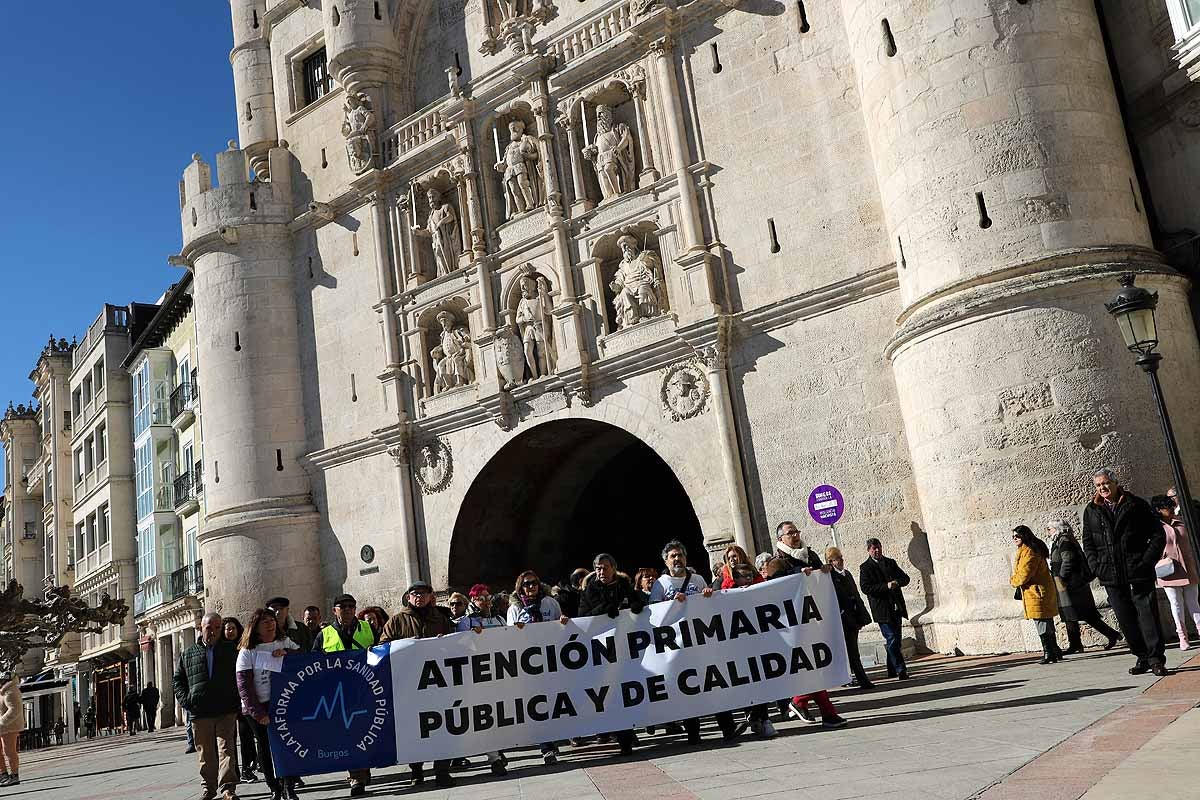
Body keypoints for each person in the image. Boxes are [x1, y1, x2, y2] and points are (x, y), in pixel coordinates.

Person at [1081, 468, 1169, 676]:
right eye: (1098, 485)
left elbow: (1157, 535)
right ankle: (1141, 656)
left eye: (1105, 483)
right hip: (1110, 574)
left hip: (1137, 570)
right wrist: (1096, 565)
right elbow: (1088, 541)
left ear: (1115, 483)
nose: (1102, 488)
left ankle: (1156, 659)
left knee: (1148, 615)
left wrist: (1146, 561)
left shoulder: (1136, 505)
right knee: (1126, 619)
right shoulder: (1092, 510)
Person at [380, 583, 461, 786]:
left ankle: (442, 770)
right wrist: (404, 645)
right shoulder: (397, 621)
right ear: (408, 597)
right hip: (409, 683)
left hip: (438, 682)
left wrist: (445, 642)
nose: (419, 597)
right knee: (413, 727)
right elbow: (382, 647)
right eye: (415, 594)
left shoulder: (440, 619)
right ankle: (416, 769)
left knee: (442, 725)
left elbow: (456, 643)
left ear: (430, 596)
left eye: (423, 594)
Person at [578, 554, 647, 754]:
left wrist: (636, 606)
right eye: (598, 568)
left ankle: (628, 733)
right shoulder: (589, 591)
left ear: (614, 568)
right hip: (604, 654)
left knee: (627, 692)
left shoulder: (625, 587)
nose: (601, 572)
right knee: (613, 696)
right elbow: (583, 618)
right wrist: (602, 610)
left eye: (605, 568)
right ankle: (623, 738)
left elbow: (640, 603)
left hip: (628, 650)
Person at [315, 593, 377, 797]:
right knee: (349, 736)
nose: (348, 609)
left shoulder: (368, 629)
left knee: (367, 732)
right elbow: (313, 664)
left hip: (366, 690)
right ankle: (356, 778)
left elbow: (384, 652)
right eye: (343, 606)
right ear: (335, 611)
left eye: (351, 606)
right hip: (339, 695)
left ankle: (363, 769)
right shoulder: (324, 634)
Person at [174, 611, 241, 800]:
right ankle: (209, 788)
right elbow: (178, 680)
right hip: (200, 711)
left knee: (226, 748)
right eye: (209, 628)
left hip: (225, 709)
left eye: (217, 628)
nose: (213, 632)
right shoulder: (188, 653)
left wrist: (236, 700)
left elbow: (240, 676)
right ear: (201, 629)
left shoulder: (230, 650)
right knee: (206, 753)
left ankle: (228, 788)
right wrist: (187, 701)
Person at [237, 608, 300, 800]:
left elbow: (303, 658)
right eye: (265, 621)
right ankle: (274, 787)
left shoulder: (284, 641)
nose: (270, 624)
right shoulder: (248, 651)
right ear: (255, 627)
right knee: (264, 746)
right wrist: (258, 713)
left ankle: (288, 785)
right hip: (258, 708)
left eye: (272, 620)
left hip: (283, 703)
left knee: (286, 744)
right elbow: (244, 686)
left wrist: (288, 653)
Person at [508, 570, 569, 762]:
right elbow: (508, 635)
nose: (531, 586)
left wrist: (563, 622)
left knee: (555, 700)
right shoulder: (515, 608)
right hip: (529, 662)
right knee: (538, 703)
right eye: (526, 584)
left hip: (551, 658)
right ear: (520, 586)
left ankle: (556, 737)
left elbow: (561, 625)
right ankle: (546, 746)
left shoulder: (549, 603)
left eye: (534, 583)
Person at [1048, 520, 1121, 653]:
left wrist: (1062, 577)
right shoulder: (1061, 541)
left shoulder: (1064, 541)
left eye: (1050, 529)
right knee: (1074, 613)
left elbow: (1068, 560)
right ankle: (1078, 643)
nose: (1049, 532)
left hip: (1069, 583)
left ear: (1058, 529)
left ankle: (1108, 636)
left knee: (1075, 613)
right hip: (1069, 583)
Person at [1151, 494, 1200, 651]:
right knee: (1176, 604)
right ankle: (1182, 637)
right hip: (1169, 570)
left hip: (1189, 568)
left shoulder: (1182, 521)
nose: (1171, 509)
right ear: (1159, 510)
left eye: (1172, 506)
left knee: (1194, 603)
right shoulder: (1155, 527)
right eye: (1167, 507)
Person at [859, 537, 911, 680]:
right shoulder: (865, 567)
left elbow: (905, 578)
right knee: (891, 637)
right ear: (868, 551)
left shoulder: (890, 563)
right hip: (882, 609)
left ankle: (891, 670)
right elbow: (866, 588)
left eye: (878, 547)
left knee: (895, 640)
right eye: (873, 548)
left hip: (895, 607)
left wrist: (896, 583)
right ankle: (901, 669)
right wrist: (885, 586)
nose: (877, 551)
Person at [1010, 526, 1062, 664]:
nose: (1015, 539)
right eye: (1013, 536)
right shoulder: (1027, 550)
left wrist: (1013, 581)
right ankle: (1055, 650)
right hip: (1038, 590)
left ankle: (1049, 652)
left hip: (1036, 592)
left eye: (1017, 536)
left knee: (1041, 623)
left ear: (1025, 536)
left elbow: (1024, 574)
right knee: (1047, 622)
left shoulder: (1029, 552)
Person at [827, 546, 874, 689]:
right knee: (852, 651)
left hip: (854, 617)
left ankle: (849, 678)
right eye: (837, 559)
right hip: (843, 619)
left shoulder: (846, 574)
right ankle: (862, 680)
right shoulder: (830, 577)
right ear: (830, 561)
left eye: (841, 558)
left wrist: (862, 616)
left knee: (852, 650)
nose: (841, 561)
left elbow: (856, 595)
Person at [223, 618, 258, 784]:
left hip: (244, 698)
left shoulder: (244, 648)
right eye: (227, 629)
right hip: (228, 699)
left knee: (247, 735)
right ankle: (234, 770)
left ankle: (247, 768)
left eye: (232, 628)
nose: (230, 631)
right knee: (229, 738)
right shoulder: (220, 650)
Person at [0, 676, 22, 786]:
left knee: (9, 751)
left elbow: (15, 709)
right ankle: (3, 774)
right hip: (3, 727)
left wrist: (2, 721)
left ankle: (14, 775)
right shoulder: (2, 691)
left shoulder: (10, 691)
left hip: (9, 727)